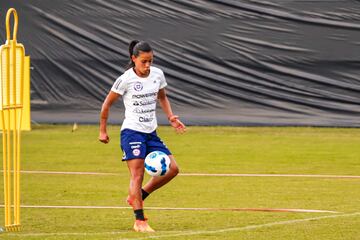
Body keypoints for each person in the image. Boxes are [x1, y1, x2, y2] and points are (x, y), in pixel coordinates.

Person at [99, 40, 186, 232]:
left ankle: (137, 196)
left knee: (173, 169)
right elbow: (106, 104)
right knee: (137, 175)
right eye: (144, 62)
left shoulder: (157, 74)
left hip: (151, 132)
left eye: (150, 61)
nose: (147, 66)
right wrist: (102, 130)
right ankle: (140, 221)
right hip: (132, 132)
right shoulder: (125, 79)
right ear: (134, 59)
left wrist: (171, 117)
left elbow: (162, 96)